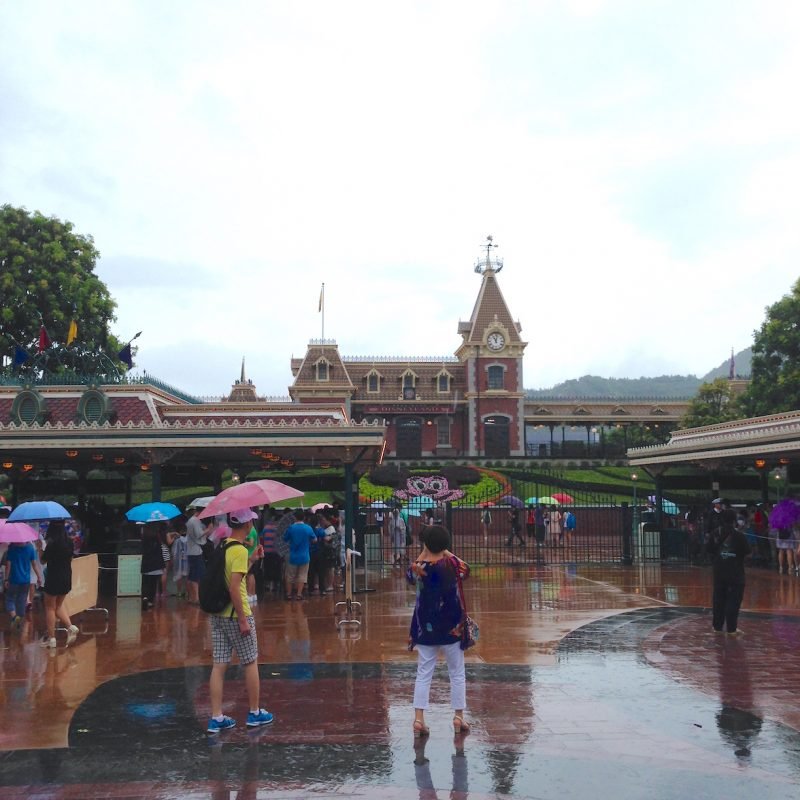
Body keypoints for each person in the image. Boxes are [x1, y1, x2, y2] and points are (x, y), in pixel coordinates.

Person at [207, 508, 272, 734]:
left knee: (219, 664)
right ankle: (254, 712)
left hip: (218, 615)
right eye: (251, 522)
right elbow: (235, 587)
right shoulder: (240, 551)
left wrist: (252, 559)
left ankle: (216, 716)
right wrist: (244, 620)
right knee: (250, 661)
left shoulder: (224, 546)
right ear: (246, 526)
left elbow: (232, 576)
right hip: (237, 615)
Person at [407, 525, 471, 737]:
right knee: (457, 673)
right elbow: (466, 569)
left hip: (426, 627)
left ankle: (419, 718)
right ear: (446, 545)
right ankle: (458, 716)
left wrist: (424, 553)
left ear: (425, 544)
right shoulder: (451, 564)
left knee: (424, 673)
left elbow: (410, 575)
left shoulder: (418, 568)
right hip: (452, 627)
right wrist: (445, 550)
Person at [706, 509, 751, 635]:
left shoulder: (715, 533)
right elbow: (747, 552)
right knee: (734, 600)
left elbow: (709, 550)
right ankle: (731, 628)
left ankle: (717, 627)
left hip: (719, 571)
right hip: (735, 573)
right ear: (734, 520)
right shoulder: (739, 536)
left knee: (718, 599)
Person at [40, 520, 79, 648]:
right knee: (58, 605)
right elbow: (71, 558)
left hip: (53, 576)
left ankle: (51, 639)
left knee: (49, 607)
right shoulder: (69, 542)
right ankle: (70, 627)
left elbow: (43, 561)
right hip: (66, 576)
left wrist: (39, 549)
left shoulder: (51, 543)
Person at [2, 539, 44, 630]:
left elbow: (8, 565)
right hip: (25, 580)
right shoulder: (30, 548)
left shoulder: (11, 549)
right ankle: (19, 617)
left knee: (9, 599)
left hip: (13, 579)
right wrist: (39, 577)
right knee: (22, 599)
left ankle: (14, 617)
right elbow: (34, 564)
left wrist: (6, 579)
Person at [282, 510, 316, 600]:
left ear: (295, 517)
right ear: (304, 517)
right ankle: (299, 594)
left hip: (293, 555)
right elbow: (314, 539)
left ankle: (289, 594)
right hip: (305, 555)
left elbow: (285, 539)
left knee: (290, 576)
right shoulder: (308, 528)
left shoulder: (291, 528)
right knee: (302, 576)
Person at [186, 505, 210, 605]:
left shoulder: (190, 521)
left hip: (191, 550)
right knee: (197, 575)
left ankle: (192, 597)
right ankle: (196, 598)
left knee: (192, 575)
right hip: (196, 551)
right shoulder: (195, 521)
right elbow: (198, 534)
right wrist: (208, 529)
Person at [140, 521, 165, 610]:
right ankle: (150, 601)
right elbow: (159, 550)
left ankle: (144, 597)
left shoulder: (144, 536)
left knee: (145, 582)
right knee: (153, 584)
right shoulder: (157, 536)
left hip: (146, 563)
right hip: (156, 564)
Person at [171, 518, 189, 599]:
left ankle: (179, 592)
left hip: (179, 561)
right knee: (188, 576)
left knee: (179, 576)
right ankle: (187, 592)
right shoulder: (190, 539)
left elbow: (174, 552)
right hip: (188, 560)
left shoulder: (177, 540)